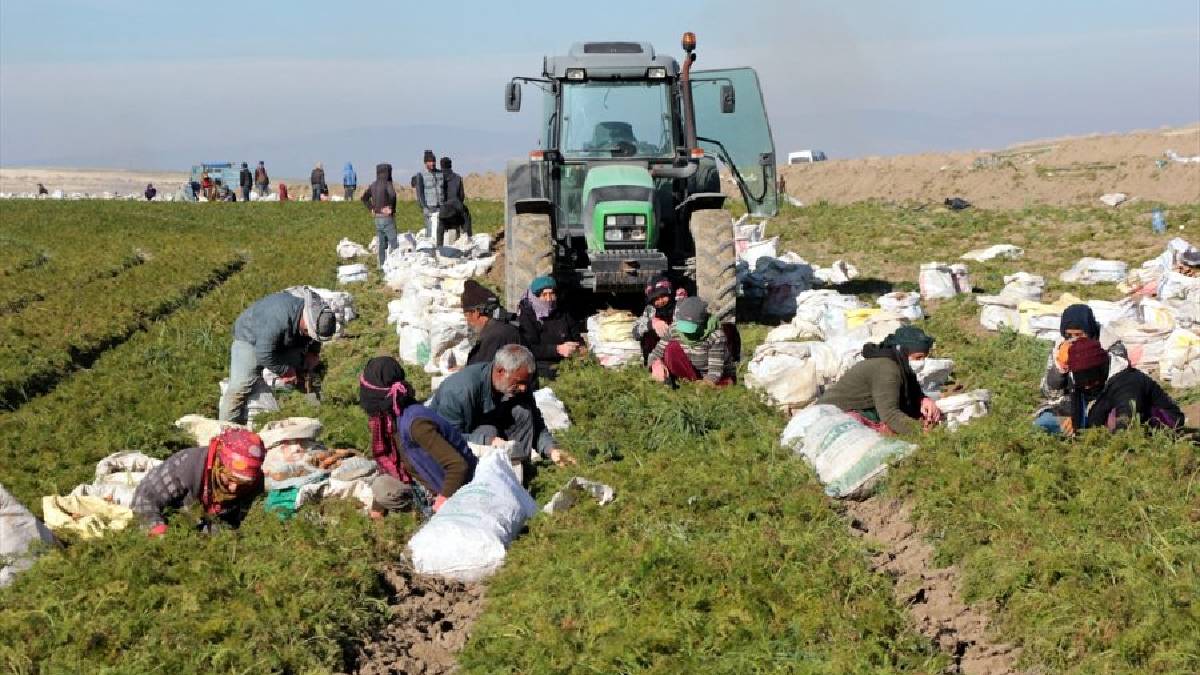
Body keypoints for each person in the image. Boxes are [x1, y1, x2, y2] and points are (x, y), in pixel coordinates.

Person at [428, 344, 575, 477]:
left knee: (523, 412)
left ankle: (518, 469)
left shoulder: (517, 386)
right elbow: (446, 436)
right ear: (500, 371)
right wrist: (487, 441)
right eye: (519, 382)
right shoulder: (459, 391)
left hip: (489, 432)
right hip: (456, 446)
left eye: (526, 383)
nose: (523, 388)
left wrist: (552, 450)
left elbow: (536, 423)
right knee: (488, 431)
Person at [358, 356, 477, 516]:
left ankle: (425, 506)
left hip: (453, 487)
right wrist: (377, 510)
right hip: (424, 479)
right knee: (382, 486)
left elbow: (458, 465)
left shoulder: (416, 424)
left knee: (382, 487)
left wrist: (442, 501)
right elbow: (392, 461)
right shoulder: (389, 420)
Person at [218, 289, 337, 424]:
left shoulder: (317, 315)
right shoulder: (277, 320)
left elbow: (315, 337)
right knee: (240, 387)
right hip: (250, 339)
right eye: (308, 332)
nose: (310, 335)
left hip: (283, 339)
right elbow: (263, 353)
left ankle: (315, 409)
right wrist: (285, 371)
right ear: (307, 322)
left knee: (305, 367)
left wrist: (313, 353)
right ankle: (225, 429)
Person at [131, 428, 265, 537]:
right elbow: (145, 499)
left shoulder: (254, 485)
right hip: (169, 523)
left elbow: (234, 522)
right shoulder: (186, 466)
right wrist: (160, 533)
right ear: (218, 464)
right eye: (229, 478)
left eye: (241, 482)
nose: (234, 487)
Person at [818, 325, 942, 435]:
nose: (922, 362)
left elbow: (909, 390)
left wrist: (923, 399)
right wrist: (920, 430)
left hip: (864, 408)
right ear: (902, 352)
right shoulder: (887, 370)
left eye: (924, 358)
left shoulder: (900, 364)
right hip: (831, 413)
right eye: (918, 358)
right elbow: (890, 415)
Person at [1062, 338, 1183, 434]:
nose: (1087, 386)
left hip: (1165, 423)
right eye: (1082, 381)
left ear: (1102, 368)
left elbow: (1126, 419)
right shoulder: (1082, 380)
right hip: (1124, 418)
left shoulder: (1128, 382)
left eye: (1090, 380)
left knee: (1113, 417)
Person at [1033, 304, 1100, 434]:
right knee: (1042, 424)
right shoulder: (1061, 347)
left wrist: (1078, 414)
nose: (1074, 339)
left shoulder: (1109, 346)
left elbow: (1112, 390)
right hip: (1068, 406)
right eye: (1070, 335)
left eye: (1079, 334)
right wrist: (1060, 367)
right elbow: (1049, 392)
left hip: (1099, 406)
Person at [647, 296, 735, 386]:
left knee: (722, 382)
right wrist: (656, 365)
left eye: (690, 328)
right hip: (692, 371)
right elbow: (655, 354)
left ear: (702, 324)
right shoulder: (674, 329)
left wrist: (707, 383)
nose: (685, 333)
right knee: (671, 348)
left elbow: (715, 371)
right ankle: (686, 381)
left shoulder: (716, 336)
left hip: (717, 373)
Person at [517, 275, 583, 380]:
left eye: (551, 294)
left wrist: (579, 347)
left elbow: (574, 332)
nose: (548, 299)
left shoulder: (561, 310)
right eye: (544, 295)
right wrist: (557, 349)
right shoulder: (527, 315)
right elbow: (528, 348)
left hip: (568, 362)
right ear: (536, 296)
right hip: (542, 365)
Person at [462, 279, 519, 366]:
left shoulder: (494, 336)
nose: (467, 321)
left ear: (476, 313)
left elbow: (482, 371)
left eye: (466, 316)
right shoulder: (501, 328)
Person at [632, 275, 687, 363]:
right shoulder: (650, 309)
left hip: (678, 349)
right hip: (656, 352)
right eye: (656, 299)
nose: (660, 301)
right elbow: (635, 333)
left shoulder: (680, 305)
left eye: (663, 296)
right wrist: (651, 324)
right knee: (647, 335)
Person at [361, 163, 398, 268]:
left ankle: (381, 266)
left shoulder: (373, 185)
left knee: (381, 244)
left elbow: (364, 198)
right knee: (394, 243)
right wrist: (391, 208)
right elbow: (393, 195)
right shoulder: (387, 183)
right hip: (387, 218)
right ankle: (397, 266)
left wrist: (371, 208)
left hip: (377, 218)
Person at [436, 156, 471, 244]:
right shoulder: (458, 178)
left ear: (441, 166)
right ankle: (468, 239)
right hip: (457, 212)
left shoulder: (438, 178)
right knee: (466, 216)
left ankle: (439, 245)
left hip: (444, 214)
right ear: (451, 165)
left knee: (440, 227)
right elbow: (462, 196)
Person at [415, 150, 443, 238]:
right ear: (425, 163)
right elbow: (420, 193)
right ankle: (430, 250)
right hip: (430, 207)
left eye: (434, 161)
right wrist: (424, 207)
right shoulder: (421, 175)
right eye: (430, 161)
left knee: (440, 230)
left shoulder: (440, 174)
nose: (432, 163)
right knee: (430, 230)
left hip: (441, 206)